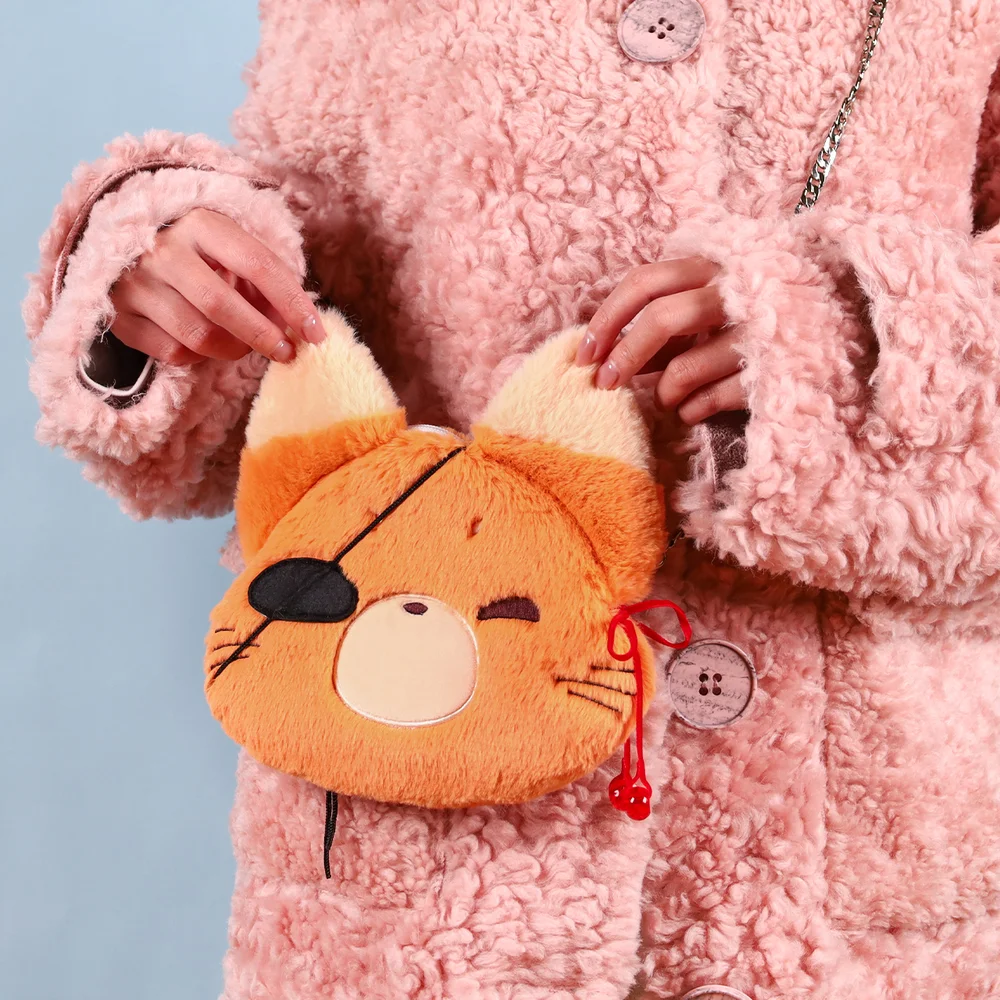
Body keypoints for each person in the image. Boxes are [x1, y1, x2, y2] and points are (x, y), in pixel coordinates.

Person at [23, 1, 1000, 997]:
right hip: (430, 831)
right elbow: (318, 248)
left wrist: (846, 343)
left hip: (845, 849)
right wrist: (180, 278)